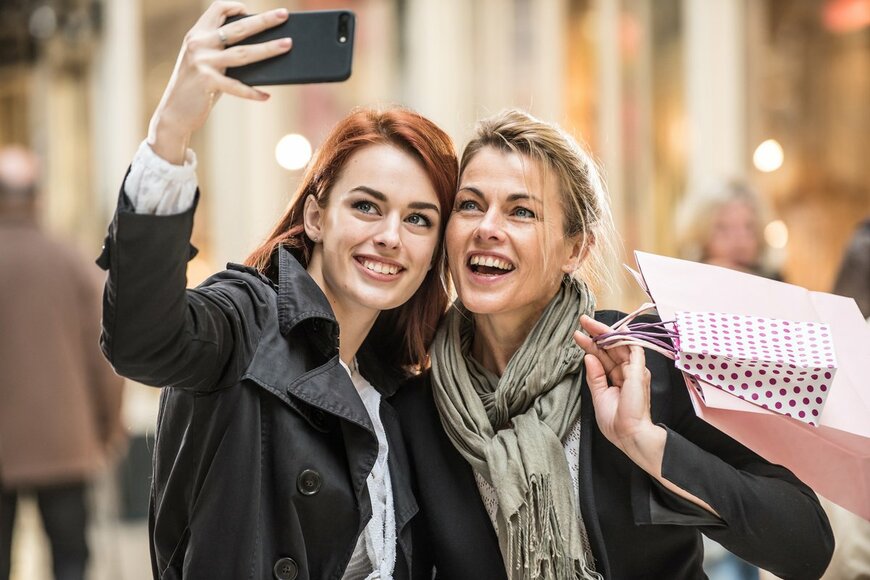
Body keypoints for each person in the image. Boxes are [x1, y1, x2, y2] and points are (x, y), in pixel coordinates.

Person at [392, 110, 834, 579]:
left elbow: (806, 545)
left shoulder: (644, 362)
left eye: (522, 211)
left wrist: (647, 443)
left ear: (575, 250)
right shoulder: (419, 412)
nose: (487, 227)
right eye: (470, 205)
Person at [96, 4, 457, 579]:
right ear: (316, 216)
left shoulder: (396, 388)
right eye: (366, 206)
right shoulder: (247, 322)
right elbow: (141, 340)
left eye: (418, 219)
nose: (390, 237)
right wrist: (170, 133)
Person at [0, 145, 126, 580]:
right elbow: (106, 352)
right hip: (65, 441)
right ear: (37, 197)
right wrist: (110, 427)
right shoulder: (69, 261)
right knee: (71, 560)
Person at [676, 179, 780, 280]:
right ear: (700, 235)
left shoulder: (776, 287)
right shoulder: (683, 285)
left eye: (749, 228)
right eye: (723, 228)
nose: (740, 242)